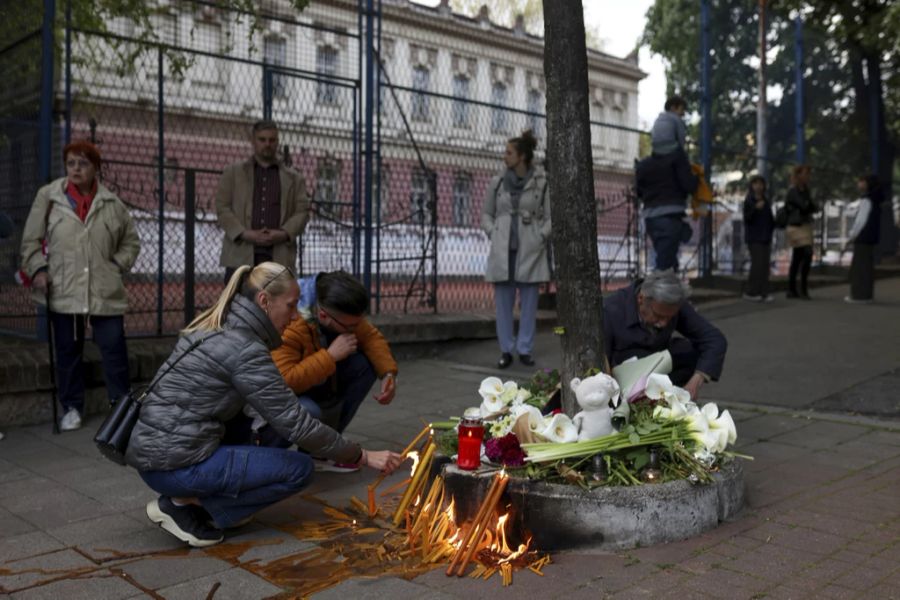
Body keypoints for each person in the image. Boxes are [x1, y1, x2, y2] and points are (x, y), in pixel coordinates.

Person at [126, 263, 404, 548]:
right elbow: (295, 423)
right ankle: (192, 506)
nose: (296, 315)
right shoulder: (245, 348)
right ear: (264, 301)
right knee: (300, 469)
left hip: (160, 454)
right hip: (174, 464)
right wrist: (364, 456)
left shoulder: (222, 325)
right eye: (291, 306)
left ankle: (197, 499)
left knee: (280, 425)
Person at [20, 140, 140, 432]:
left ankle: (120, 408)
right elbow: (30, 242)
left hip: (104, 288)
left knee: (113, 350)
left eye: (83, 163)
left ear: (95, 168)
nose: (76, 169)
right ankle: (72, 407)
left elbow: (131, 241)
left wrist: (117, 264)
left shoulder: (112, 203)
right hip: (64, 287)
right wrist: (38, 269)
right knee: (67, 351)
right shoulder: (48, 198)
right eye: (71, 163)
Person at [258, 271, 398, 472]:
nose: (356, 328)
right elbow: (283, 380)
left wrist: (388, 374)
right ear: (323, 315)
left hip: (317, 378)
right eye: (350, 326)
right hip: (280, 398)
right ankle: (262, 459)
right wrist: (330, 357)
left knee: (364, 366)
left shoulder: (336, 309)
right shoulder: (292, 322)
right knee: (308, 411)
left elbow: (371, 337)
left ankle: (323, 450)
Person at [481, 130, 551, 369]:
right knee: (503, 305)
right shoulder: (497, 181)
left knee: (529, 305)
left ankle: (525, 350)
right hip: (503, 251)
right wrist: (493, 231)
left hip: (531, 251)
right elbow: (486, 214)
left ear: (522, 156)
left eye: (509, 152)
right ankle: (506, 350)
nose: (504, 156)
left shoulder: (541, 182)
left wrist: (540, 236)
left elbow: (551, 217)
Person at [602, 270, 727, 400]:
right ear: (641, 299)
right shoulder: (611, 310)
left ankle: (672, 398)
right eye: (658, 316)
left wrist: (696, 380)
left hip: (659, 366)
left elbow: (714, 339)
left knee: (688, 350)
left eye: (670, 318)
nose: (663, 323)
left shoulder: (672, 304)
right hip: (625, 375)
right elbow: (603, 363)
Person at [215, 120, 310, 282]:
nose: (268, 144)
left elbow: (302, 211)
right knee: (238, 306)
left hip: (279, 257)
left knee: (276, 306)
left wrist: (284, 233)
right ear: (253, 141)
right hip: (241, 256)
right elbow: (222, 207)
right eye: (262, 139)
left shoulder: (294, 179)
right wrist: (245, 233)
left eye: (272, 140)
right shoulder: (233, 173)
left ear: (277, 142)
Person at [636, 104, 699, 272]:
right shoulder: (678, 158)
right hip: (670, 217)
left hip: (651, 218)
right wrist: (697, 179)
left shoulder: (645, 165)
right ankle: (658, 297)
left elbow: (639, 191)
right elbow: (689, 185)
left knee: (667, 260)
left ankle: (670, 297)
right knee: (665, 266)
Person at [844, 175, 884, 304]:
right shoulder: (877, 199)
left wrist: (852, 235)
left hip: (862, 236)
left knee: (859, 267)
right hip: (871, 236)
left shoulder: (866, 200)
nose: (858, 183)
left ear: (867, 184)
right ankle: (867, 294)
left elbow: (860, 221)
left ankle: (859, 295)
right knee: (867, 267)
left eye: (861, 181)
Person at [784, 165, 819, 300]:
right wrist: (808, 205)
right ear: (798, 176)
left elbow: (811, 206)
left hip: (805, 225)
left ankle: (795, 288)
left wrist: (809, 205)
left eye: (808, 174)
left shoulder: (806, 191)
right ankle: (797, 288)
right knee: (805, 253)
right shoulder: (793, 191)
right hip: (795, 226)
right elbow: (805, 206)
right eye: (805, 174)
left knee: (799, 257)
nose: (808, 177)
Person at [742, 175, 775, 302]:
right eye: (756, 184)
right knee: (757, 264)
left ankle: (763, 291)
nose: (758, 186)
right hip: (754, 237)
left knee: (764, 265)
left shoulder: (766, 201)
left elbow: (770, 218)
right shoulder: (749, 200)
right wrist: (755, 209)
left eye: (760, 184)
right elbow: (747, 218)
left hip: (765, 236)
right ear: (752, 186)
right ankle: (752, 291)